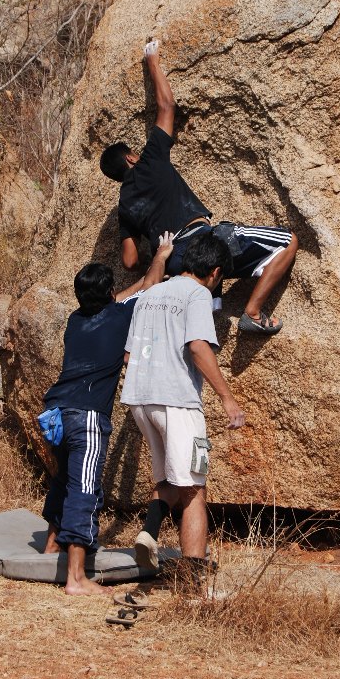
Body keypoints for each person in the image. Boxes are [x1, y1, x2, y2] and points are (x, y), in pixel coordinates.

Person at [99, 39, 299, 335]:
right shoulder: (150, 160)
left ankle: (114, 305)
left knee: (153, 282)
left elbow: (129, 261)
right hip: (203, 243)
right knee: (288, 241)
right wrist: (152, 59)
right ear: (131, 157)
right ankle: (253, 312)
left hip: (176, 263)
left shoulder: (125, 206)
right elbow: (167, 105)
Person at [41, 233, 173, 596]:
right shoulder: (118, 318)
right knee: (84, 488)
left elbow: (121, 297)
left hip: (54, 412)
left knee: (64, 480)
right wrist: (161, 253)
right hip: (86, 417)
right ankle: (76, 578)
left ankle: (51, 545)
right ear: (109, 292)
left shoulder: (75, 320)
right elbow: (150, 283)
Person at [121, 231, 245, 586]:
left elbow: (129, 353)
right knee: (194, 484)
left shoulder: (151, 293)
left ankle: (149, 532)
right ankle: (193, 581)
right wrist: (227, 398)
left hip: (141, 400)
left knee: (169, 478)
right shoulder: (198, 295)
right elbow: (198, 347)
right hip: (178, 401)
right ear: (216, 272)